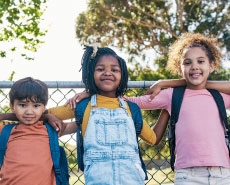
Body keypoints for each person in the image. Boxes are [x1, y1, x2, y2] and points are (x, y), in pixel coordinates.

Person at [68, 33, 230, 185]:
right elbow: (123, 101)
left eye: (200, 62)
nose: (194, 67)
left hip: (223, 172)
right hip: (187, 174)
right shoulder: (171, 96)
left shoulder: (218, 96)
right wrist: (92, 93)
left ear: (212, 65)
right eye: (187, 63)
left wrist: (166, 82)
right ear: (180, 68)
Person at [46, 46, 170, 185]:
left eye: (114, 69)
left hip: (132, 180)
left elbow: (153, 139)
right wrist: (48, 117)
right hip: (97, 180)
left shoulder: (131, 109)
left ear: (122, 75)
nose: (107, 73)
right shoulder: (81, 105)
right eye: (100, 69)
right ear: (90, 74)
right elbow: (42, 113)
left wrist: (168, 108)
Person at [0, 77, 66, 185]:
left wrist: (46, 116)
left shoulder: (51, 128)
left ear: (44, 107)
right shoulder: (5, 130)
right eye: (22, 105)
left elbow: (81, 121)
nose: (29, 112)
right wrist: (44, 116)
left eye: (36, 106)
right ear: (12, 106)